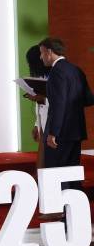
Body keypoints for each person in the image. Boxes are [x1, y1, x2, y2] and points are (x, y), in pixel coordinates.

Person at [40, 38, 94, 177]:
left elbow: (59, 104)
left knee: (56, 175)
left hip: (61, 133)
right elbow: (88, 99)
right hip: (76, 131)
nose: (41, 57)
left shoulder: (56, 72)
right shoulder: (76, 70)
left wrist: (53, 133)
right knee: (72, 174)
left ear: (49, 52)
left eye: (42, 52)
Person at [24, 45, 51, 167]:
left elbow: (61, 101)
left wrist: (41, 98)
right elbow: (41, 105)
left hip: (54, 122)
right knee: (43, 153)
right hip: (43, 120)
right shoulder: (41, 76)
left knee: (49, 157)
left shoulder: (54, 75)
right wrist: (36, 124)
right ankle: (41, 177)